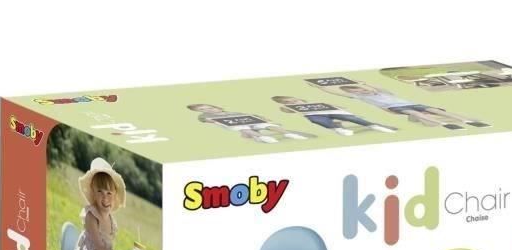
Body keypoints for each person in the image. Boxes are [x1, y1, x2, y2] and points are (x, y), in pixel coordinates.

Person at [337, 84, 489, 129]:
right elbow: (339, 92)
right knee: (416, 113)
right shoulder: (360, 97)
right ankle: (443, 124)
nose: (361, 91)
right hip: (394, 108)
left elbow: (379, 89)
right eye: (357, 91)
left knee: (434, 110)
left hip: (410, 103)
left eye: (361, 89)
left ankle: (465, 120)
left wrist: (366, 85)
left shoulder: (381, 91)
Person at [271, 95, 396, 136]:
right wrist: (287, 107)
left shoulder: (314, 101)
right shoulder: (289, 107)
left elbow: (331, 105)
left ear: (299, 98)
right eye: (288, 102)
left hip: (332, 111)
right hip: (314, 115)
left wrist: (340, 108)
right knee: (317, 120)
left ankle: (373, 126)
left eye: (293, 100)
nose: (293, 102)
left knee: (351, 118)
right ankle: (337, 128)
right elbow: (287, 111)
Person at [186, 103, 313, 143]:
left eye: (209, 108)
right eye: (202, 109)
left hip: (248, 120)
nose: (208, 110)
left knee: (267, 125)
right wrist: (213, 119)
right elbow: (204, 120)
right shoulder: (205, 115)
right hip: (233, 124)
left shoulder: (234, 112)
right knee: (243, 128)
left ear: (217, 107)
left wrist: (263, 118)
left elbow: (252, 116)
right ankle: (261, 137)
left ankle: (288, 134)